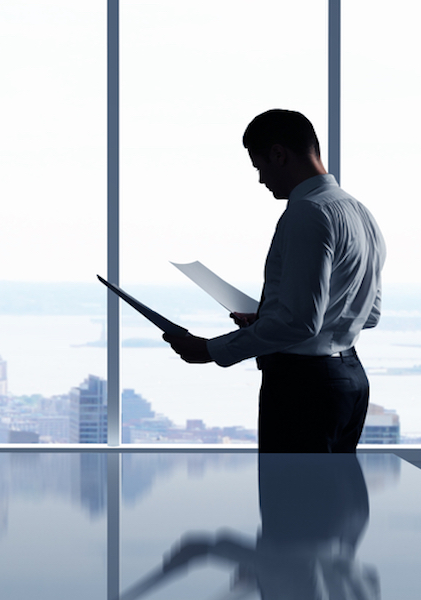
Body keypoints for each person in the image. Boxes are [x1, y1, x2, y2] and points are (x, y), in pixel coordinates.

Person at [164, 108, 385, 453]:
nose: (261, 179)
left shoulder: (308, 213)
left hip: (304, 388)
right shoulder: (359, 212)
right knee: (332, 501)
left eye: (259, 166)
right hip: (350, 382)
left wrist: (210, 350)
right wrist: (269, 319)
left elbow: (300, 323)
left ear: (279, 154)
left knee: (290, 503)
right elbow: (368, 314)